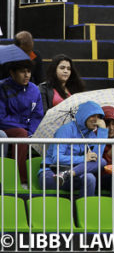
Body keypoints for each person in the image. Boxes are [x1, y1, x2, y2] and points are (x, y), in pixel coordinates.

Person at [38, 100, 107, 198]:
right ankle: (66, 175)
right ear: (84, 115)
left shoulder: (90, 134)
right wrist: (84, 159)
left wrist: (103, 132)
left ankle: (84, 212)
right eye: (92, 116)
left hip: (70, 174)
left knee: (92, 175)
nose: (96, 120)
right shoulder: (65, 130)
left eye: (98, 117)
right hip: (50, 174)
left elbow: (96, 159)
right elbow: (56, 158)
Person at [0, 58, 44, 187]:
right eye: (22, 72)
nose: (27, 75)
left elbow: (37, 115)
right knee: (21, 134)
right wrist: (23, 128)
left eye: (29, 71)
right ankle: (21, 179)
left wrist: (31, 133)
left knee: (23, 134)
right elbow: (1, 117)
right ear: (12, 73)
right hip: (5, 127)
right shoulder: (2, 88)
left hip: (25, 130)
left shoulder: (35, 90)